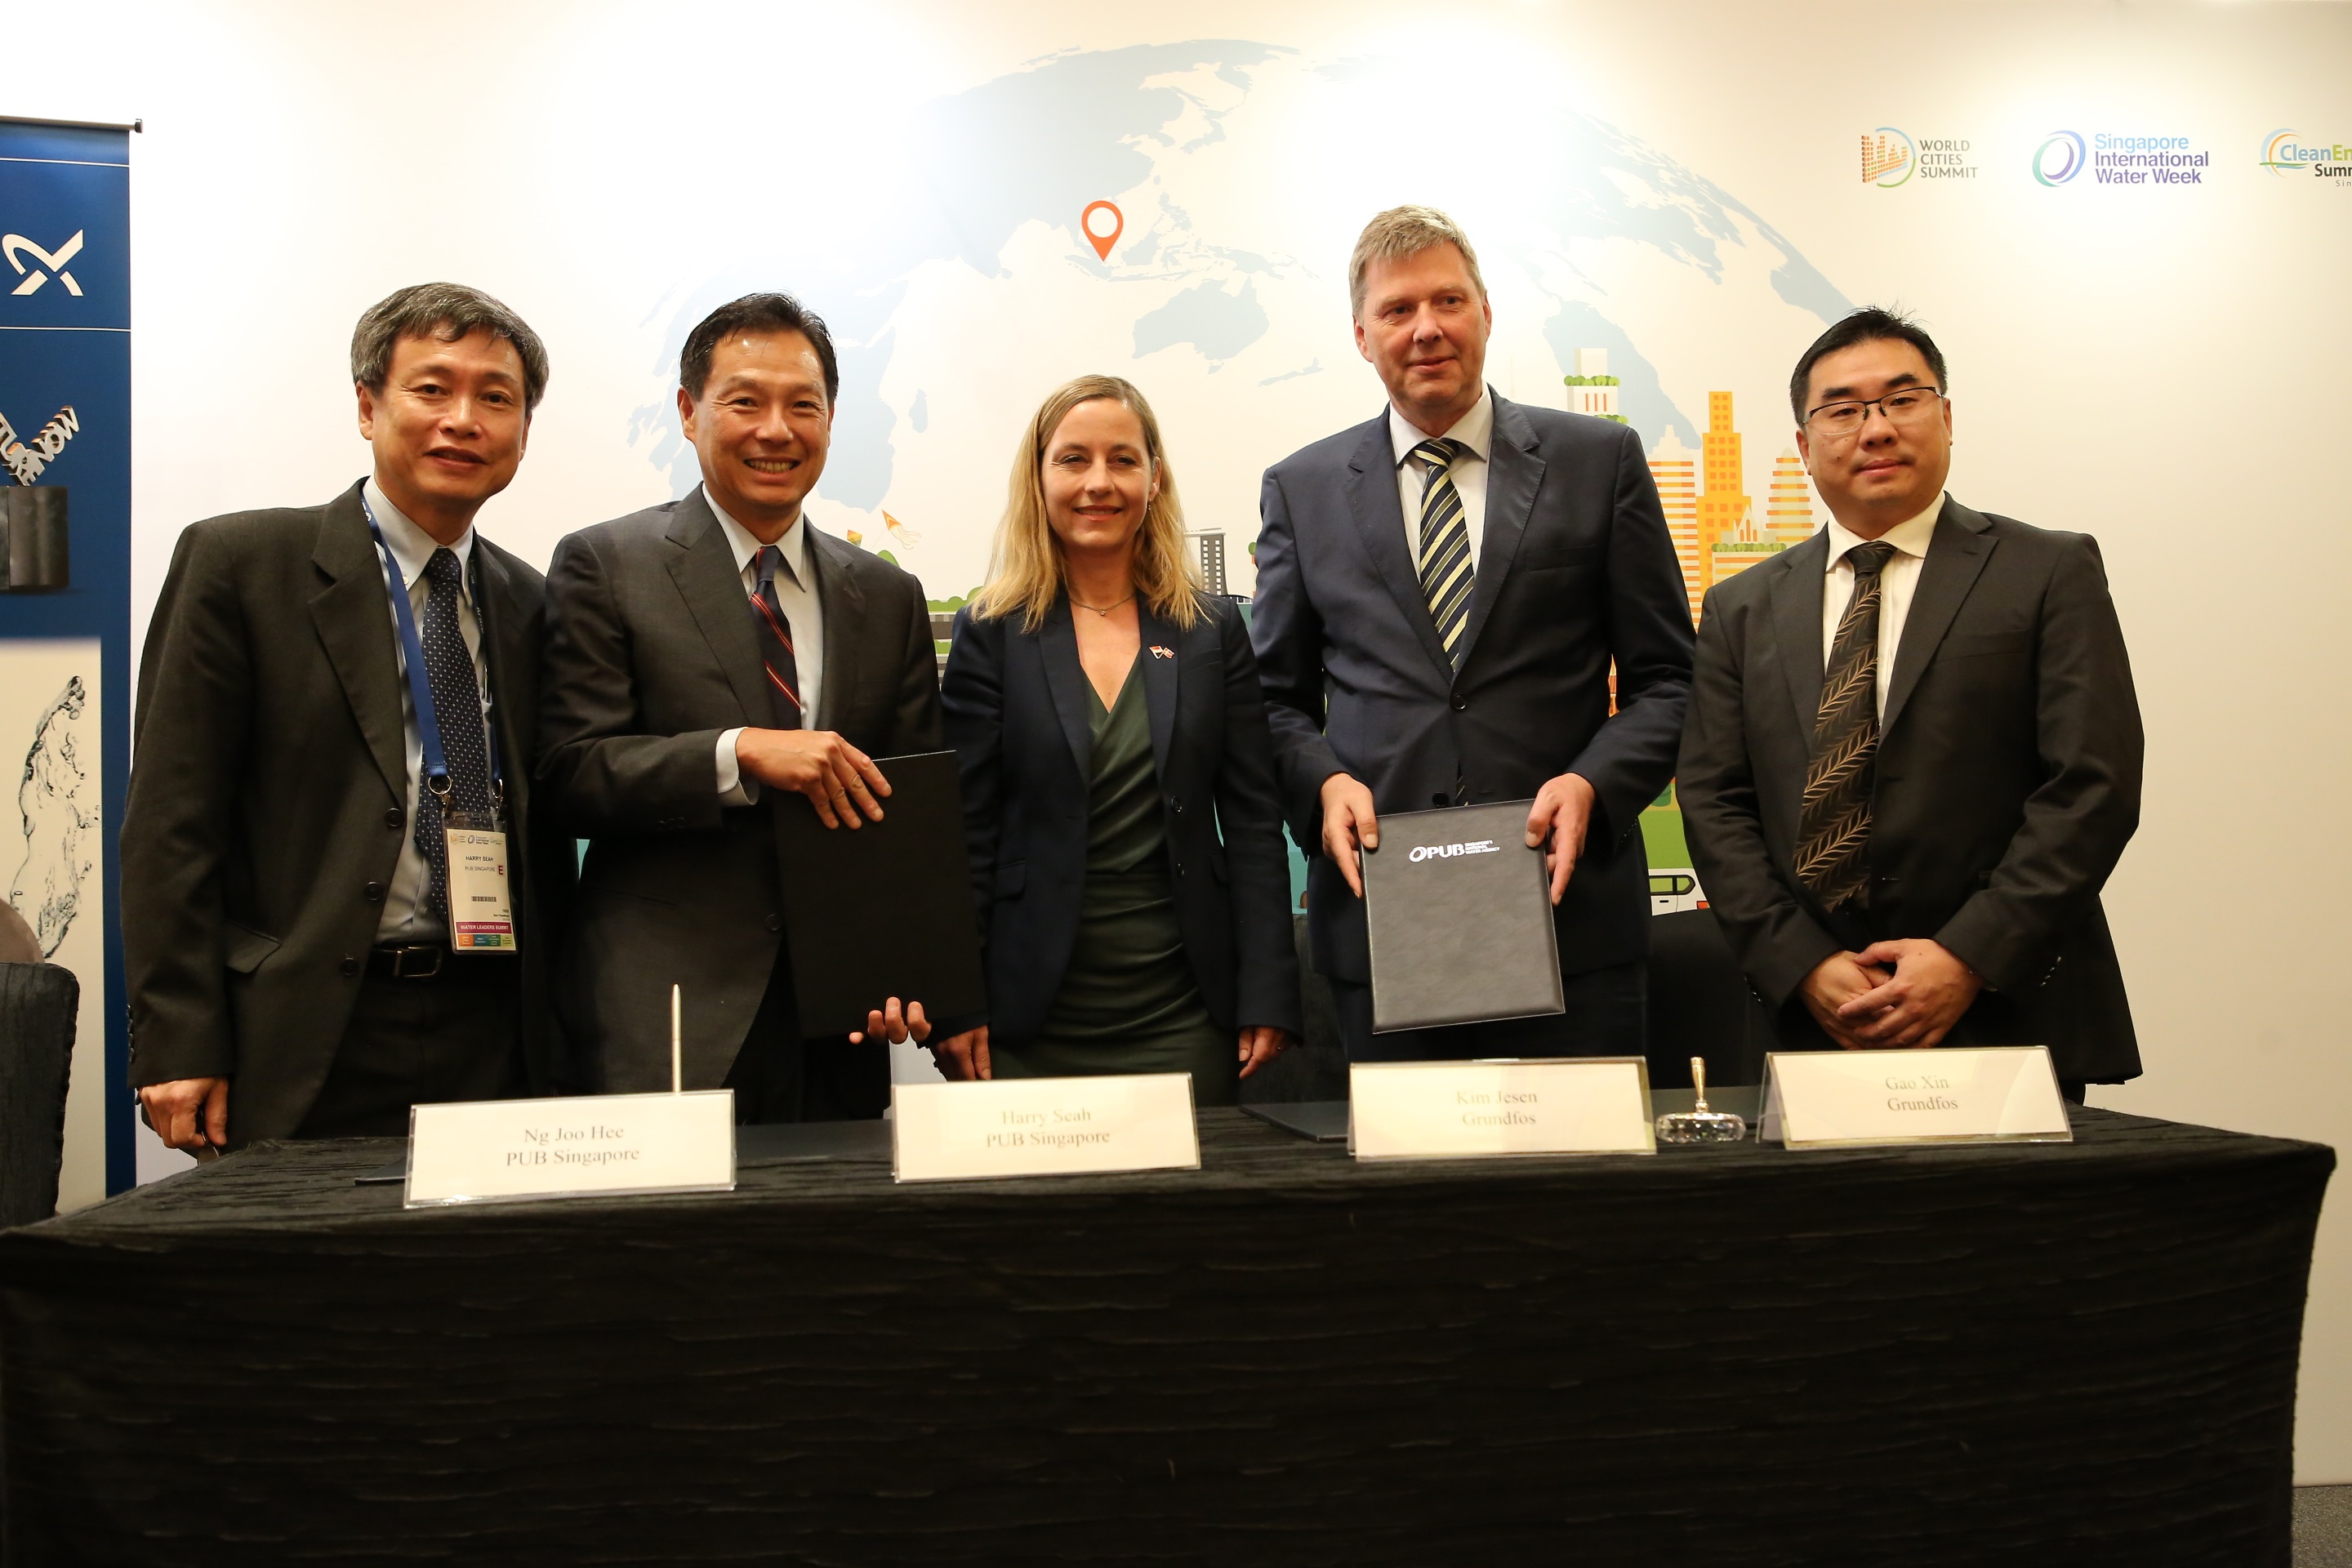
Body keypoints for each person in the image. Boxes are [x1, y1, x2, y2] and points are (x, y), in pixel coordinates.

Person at [124, 283, 571, 1150]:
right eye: (431, 389)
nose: (463, 419)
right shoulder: (241, 566)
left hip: (494, 1024)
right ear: (368, 406)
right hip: (306, 1023)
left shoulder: (529, 601)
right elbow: (172, 825)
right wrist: (177, 1038)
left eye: (496, 398)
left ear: (522, 431)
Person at [1251, 206, 1694, 1061]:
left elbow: (1669, 679)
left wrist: (1595, 785)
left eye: (1448, 301)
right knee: (1405, 1193)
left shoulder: (1600, 462)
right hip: (1386, 919)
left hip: (1572, 919)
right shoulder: (1301, 489)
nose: (1426, 329)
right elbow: (1274, 701)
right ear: (1361, 336)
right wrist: (1322, 786)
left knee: (1583, 1189)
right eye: (1397, 310)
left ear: (1486, 313)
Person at [1675, 308, 2143, 1100]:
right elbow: (1715, 802)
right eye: (1843, 409)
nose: (1876, 428)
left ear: (1948, 417)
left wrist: (1968, 957)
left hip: (2008, 1009)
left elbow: (2092, 787)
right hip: (1809, 1021)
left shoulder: (2047, 571)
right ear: (1803, 445)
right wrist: (1804, 965)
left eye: (1903, 400)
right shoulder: (1740, 606)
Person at [537, 292, 945, 1122]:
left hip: (841, 1020)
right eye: (745, 402)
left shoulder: (886, 593)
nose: (777, 430)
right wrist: (737, 752)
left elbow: (910, 807)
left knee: (836, 1239)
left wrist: (905, 966)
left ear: (831, 420)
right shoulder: (606, 565)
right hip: (667, 1011)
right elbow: (570, 772)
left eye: (804, 405)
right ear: (690, 413)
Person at [934, 376, 1300, 1102]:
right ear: (1038, 480)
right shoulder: (992, 632)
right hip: (1029, 1009)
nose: (1098, 482)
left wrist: (1267, 989)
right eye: (1073, 459)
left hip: (1184, 1006)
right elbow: (963, 831)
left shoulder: (1213, 630)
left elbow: (1255, 822)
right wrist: (956, 997)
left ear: (1155, 479)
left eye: (1123, 460)